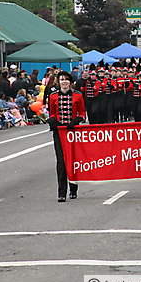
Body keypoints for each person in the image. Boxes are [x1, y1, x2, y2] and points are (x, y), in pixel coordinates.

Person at [47, 71, 86, 202]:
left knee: (73, 160)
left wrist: (75, 121)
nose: (64, 82)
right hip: (59, 132)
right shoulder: (52, 96)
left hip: (73, 132)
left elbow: (82, 113)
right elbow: (51, 113)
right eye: (61, 79)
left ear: (70, 82)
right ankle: (61, 192)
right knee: (61, 162)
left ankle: (73, 188)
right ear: (58, 82)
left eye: (66, 79)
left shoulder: (78, 95)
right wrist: (52, 121)